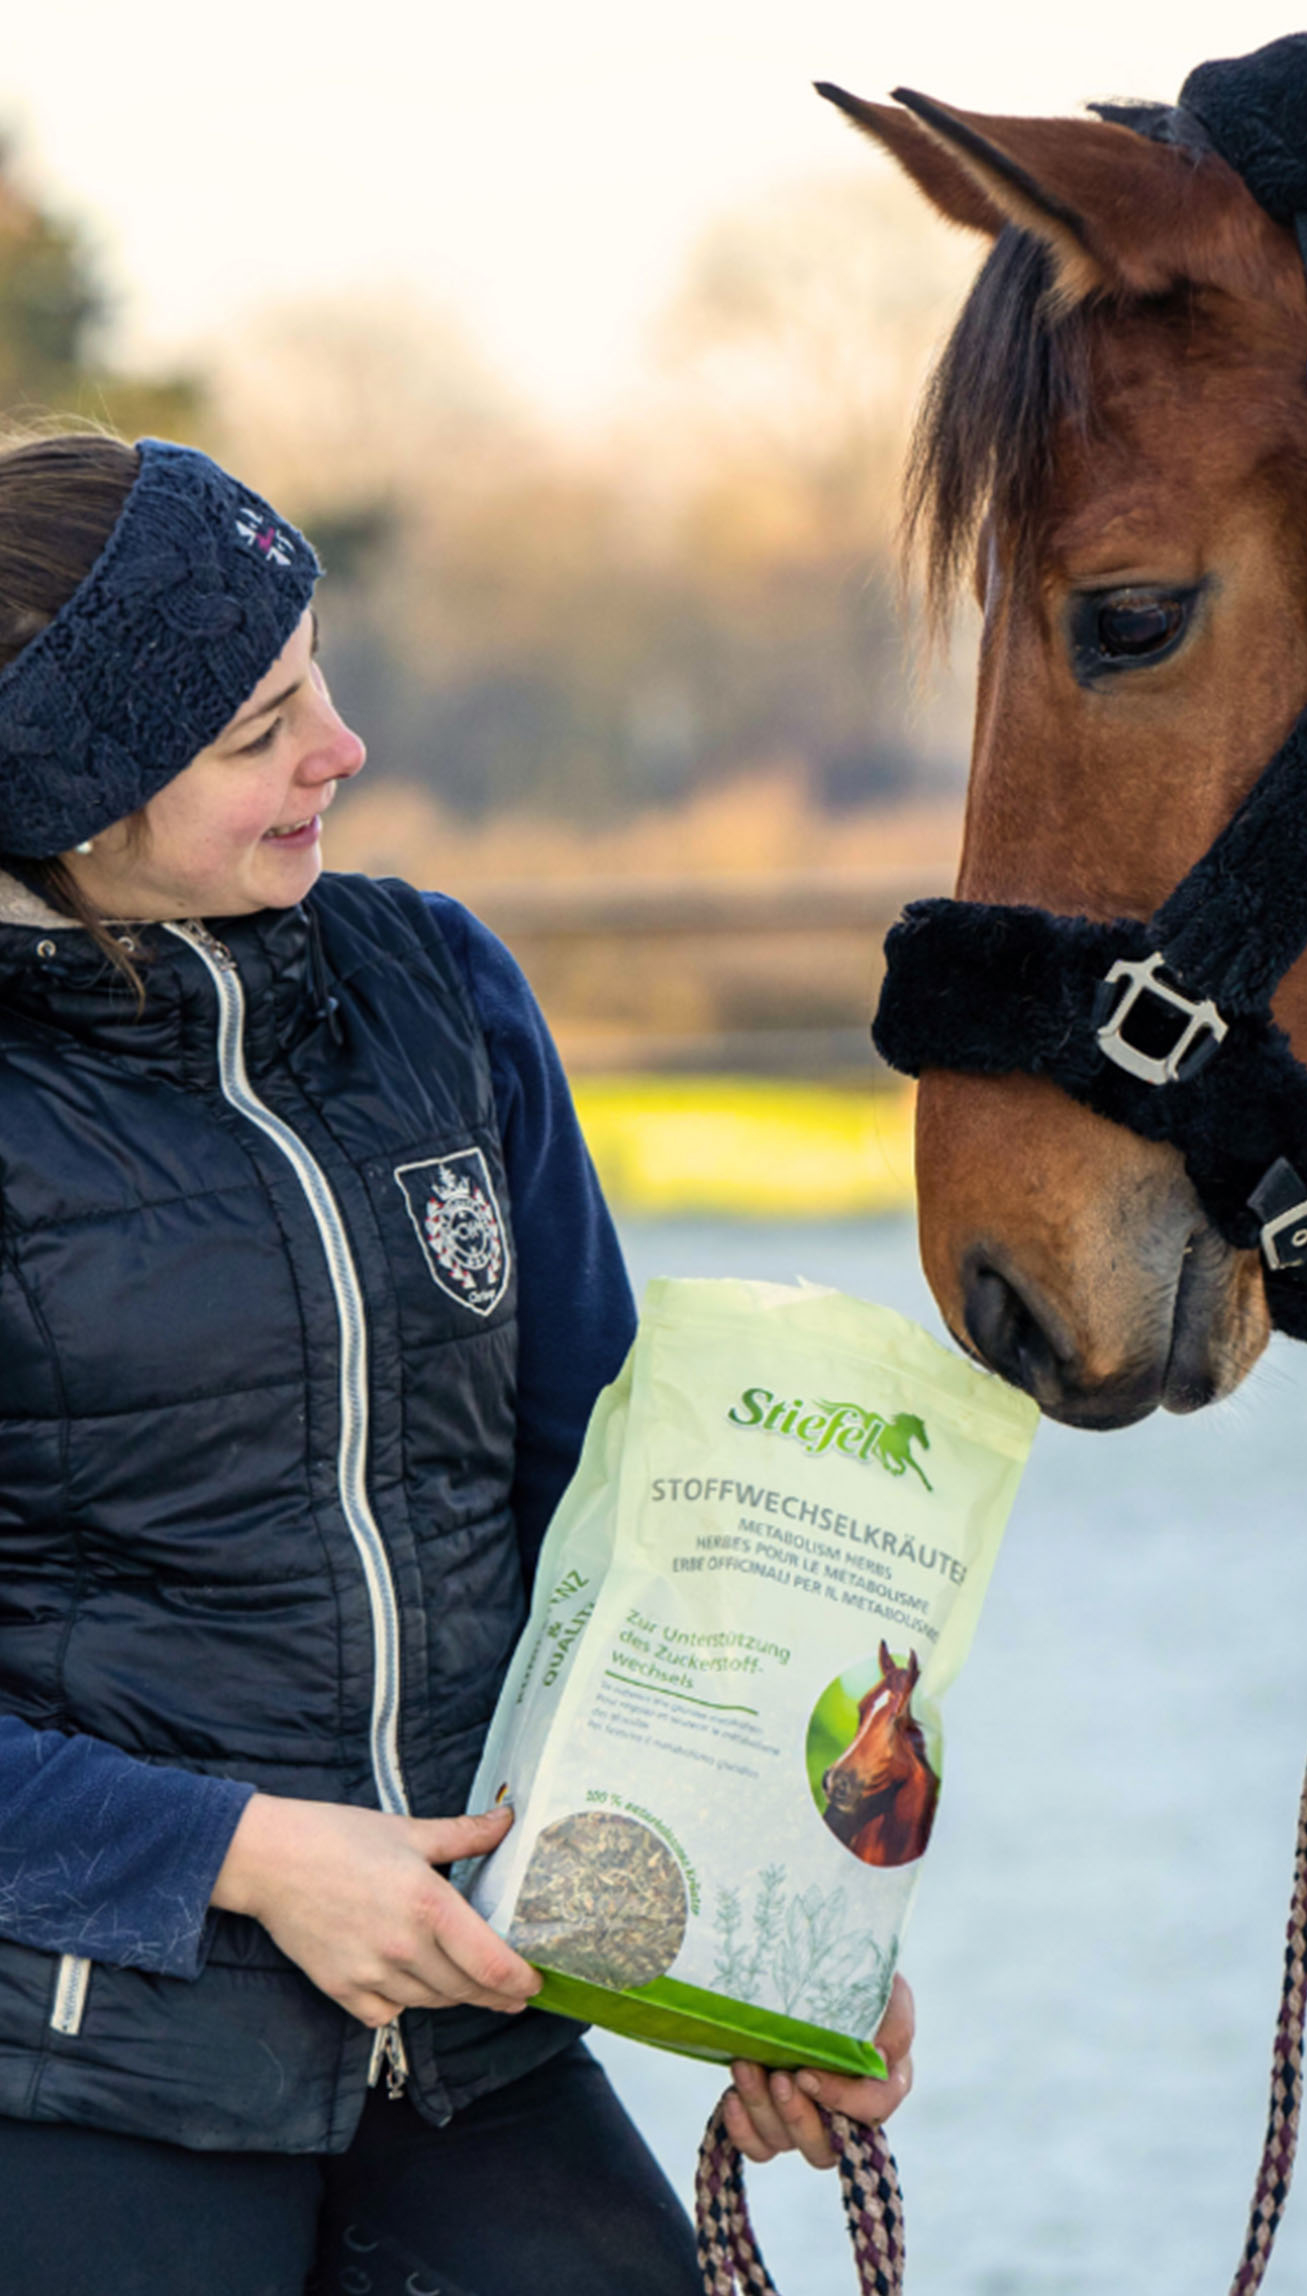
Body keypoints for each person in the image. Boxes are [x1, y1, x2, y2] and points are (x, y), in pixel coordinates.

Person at [0, 432, 913, 2296]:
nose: (340, 748)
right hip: (82, 2058)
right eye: (259, 730)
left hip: (473, 2037)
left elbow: (617, 1510)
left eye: (319, 677)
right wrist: (245, 1855)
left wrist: (769, 1945)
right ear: (78, 795)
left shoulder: (439, 986)